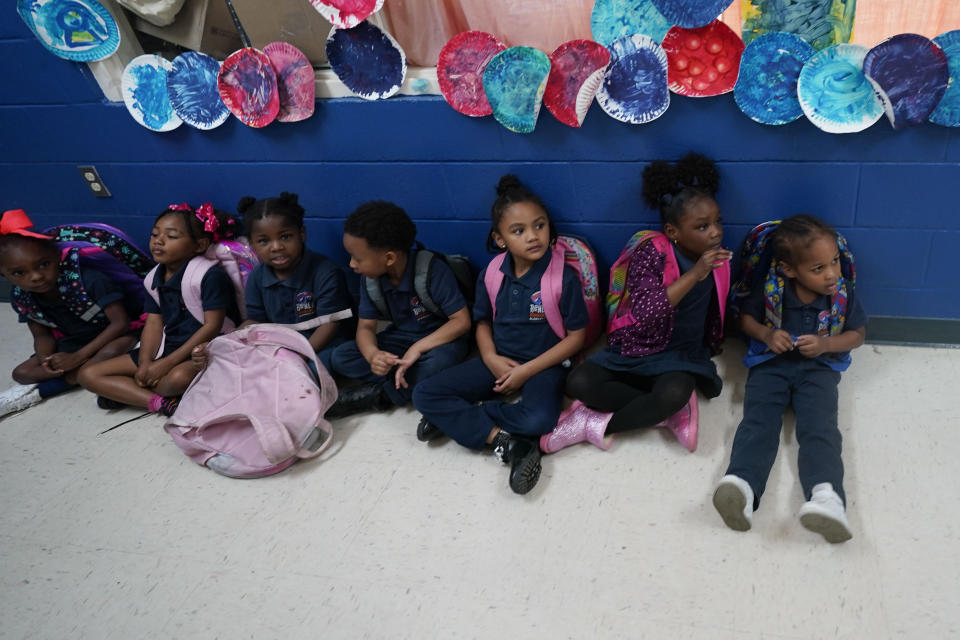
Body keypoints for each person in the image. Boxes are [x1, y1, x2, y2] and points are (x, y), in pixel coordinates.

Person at [413, 175, 588, 495]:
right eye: (519, 231)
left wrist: (526, 371)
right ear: (500, 238)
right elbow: (481, 322)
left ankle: (464, 417)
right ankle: (503, 441)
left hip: (543, 366)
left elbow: (577, 337)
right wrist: (491, 358)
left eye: (540, 225)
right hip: (497, 359)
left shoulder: (563, 277)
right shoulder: (492, 272)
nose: (533, 237)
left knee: (540, 420)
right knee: (424, 394)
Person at [550, 153, 732, 452]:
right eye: (702, 226)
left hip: (680, 353)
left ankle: (592, 424)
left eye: (717, 222)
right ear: (673, 232)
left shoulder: (719, 259)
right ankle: (661, 412)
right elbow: (648, 313)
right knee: (578, 383)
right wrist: (697, 273)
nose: (715, 232)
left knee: (673, 394)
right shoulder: (652, 251)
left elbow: (720, 309)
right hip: (638, 345)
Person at [713, 214, 865, 543]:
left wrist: (826, 344)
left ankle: (828, 498)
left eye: (835, 262)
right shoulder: (771, 289)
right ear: (789, 269)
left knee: (820, 428)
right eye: (818, 268)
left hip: (820, 370)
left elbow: (857, 335)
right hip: (771, 364)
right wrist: (767, 335)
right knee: (758, 421)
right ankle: (742, 485)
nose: (831, 274)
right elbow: (746, 321)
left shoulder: (841, 293)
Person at [78, 203, 241, 415]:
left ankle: (129, 394)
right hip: (167, 348)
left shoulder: (208, 276)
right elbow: (153, 323)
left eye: (171, 237)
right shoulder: (152, 278)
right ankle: (160, 403)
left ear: (199, 245)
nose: (159, 241)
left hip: (201, 351)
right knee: (87, 374)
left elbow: (212, 326)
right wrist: (146, 363)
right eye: (155, 235)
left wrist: (166, 364)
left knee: (173, 381)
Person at [327, 201, 471, 417]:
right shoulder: (370, 280)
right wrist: (373, 354)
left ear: (389, 258)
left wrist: (418, 349)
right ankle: (404, 378)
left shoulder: (431, 271)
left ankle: (380, 396)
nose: (351, 265)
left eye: (357, 258)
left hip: (440, 341)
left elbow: (461, 322)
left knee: (435, 366)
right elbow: (366, 326)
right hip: (400, 339)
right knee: (341, 357)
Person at [0, 209, 142, 418]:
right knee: (21, 373)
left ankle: (67, 380)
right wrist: (46, 360)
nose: (36, 277)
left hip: (110, 336)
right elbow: (42, 334)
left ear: (57, 257)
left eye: (43, 265)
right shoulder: (22, 297)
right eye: (19, 273)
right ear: (4, 275)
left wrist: (77, 357)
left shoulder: (88, 280)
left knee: (114, 350)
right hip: (72, 342)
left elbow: (120, 324)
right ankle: (79, 375)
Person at [192, 192, 354, 373]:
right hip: (282, 347)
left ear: (301, 234)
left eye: (285, 237)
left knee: (313, 371)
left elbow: (330, 325)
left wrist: (298, 357)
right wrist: (223, 345)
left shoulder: (326, 272)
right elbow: (255, 321)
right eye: (264, 241)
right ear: (252, 245)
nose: (276, 247)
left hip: (322, 344)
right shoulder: (257, 277)